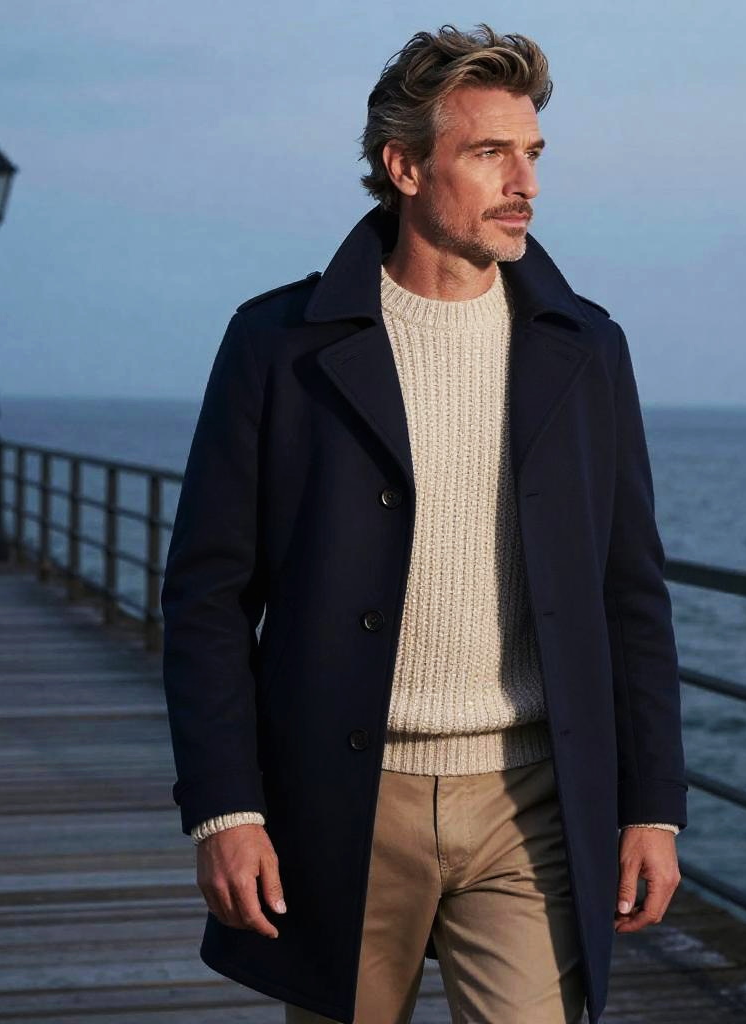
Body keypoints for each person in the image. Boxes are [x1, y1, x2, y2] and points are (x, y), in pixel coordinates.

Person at [161, 23, 687, 1024]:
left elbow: (630, 592)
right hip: (343, 801)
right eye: (489, 152)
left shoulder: (586, 348)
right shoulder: (277, 345)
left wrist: (652, 804)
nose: (522, 180)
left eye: (531, 153)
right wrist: (225, 809)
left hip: (527, 802)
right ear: (403, 166)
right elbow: (207, 597)